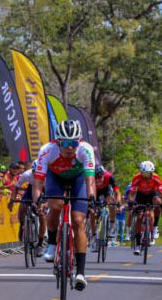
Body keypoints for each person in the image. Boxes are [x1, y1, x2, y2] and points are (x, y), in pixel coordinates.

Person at [33, 119, 95, 291]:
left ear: (79, 142)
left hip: (78, 179)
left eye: (74, 143)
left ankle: (81, 273)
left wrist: (91, 199)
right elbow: (38, 182)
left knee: (78, 221)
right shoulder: (47, 150)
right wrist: (37, 200)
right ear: (58, 142)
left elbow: (90, 181)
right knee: (56, 205)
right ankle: (52, 243)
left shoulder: (86, 149)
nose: (70, 147)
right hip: (55, 178)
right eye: (66, 143)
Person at [128, 160, 162, 253]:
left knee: (158, 202)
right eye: (143, 174)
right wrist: (132, 201)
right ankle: (137, 244)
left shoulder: (156, 178)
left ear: (152, 173)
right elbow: (131, 194)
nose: (145, 176)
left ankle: (155, 227)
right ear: (141, 172)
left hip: (152, 194)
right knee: (140, 217)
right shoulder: (136, 178)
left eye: (148, 174)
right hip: (140, 195)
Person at [11, 159, 47, 253]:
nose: (36, 174)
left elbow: (49, 193)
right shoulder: (27, 174)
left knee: (42, 216)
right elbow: (16, 187)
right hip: (31, 188)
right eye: (34, 172)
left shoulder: (47, 176)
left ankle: (40, 243)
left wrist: (44, 203)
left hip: (44, 190)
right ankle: (22, 223)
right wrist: (12, 199)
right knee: (22, 206)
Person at [89, 164, 120, 240]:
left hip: (106, 189)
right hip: (95, 190)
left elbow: (117, 191)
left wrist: (118, 201)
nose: (98, 180)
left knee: (111, 203)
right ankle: (93, 235)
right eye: (96, 178)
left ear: (103, 175)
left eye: (100, 177)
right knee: (93, 213)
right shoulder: (90, 179)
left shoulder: (109, 177)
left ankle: (112, 224)